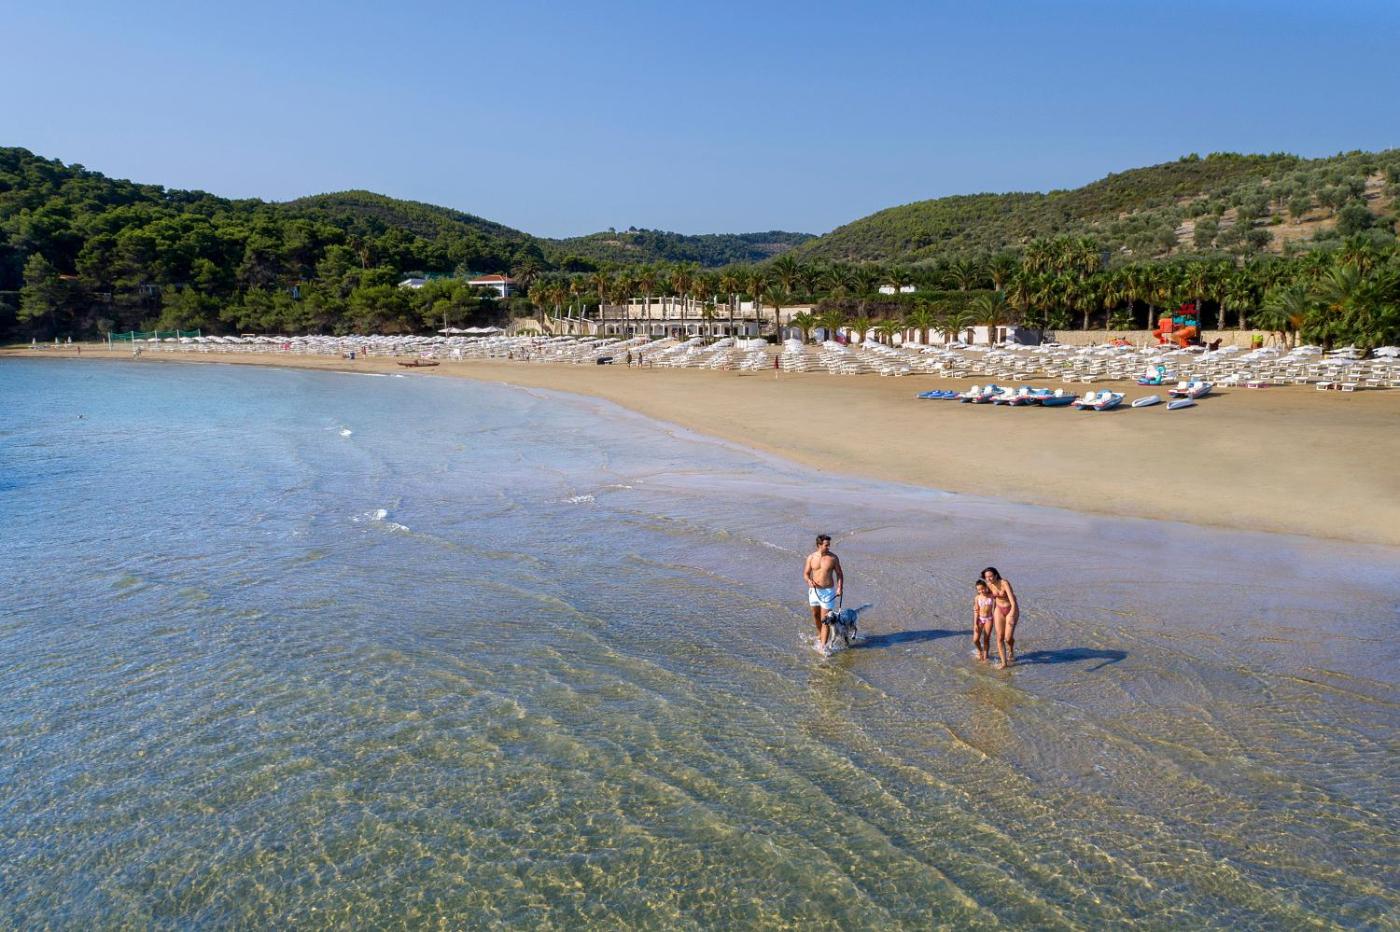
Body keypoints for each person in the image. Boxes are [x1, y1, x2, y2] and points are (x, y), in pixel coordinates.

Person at [803, 534, 844, 655]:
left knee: (825, 620)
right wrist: (808, 580)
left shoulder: (833, 558)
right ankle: (820, 635)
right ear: (819, 545)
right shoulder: (811, 557)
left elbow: (839, 574)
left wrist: (839, 588)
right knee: (816, 615)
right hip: (814, 592)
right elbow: (806, 573)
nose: (829, 547)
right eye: (826, 545)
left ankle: (823, 647)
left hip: (828, 592)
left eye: (829, 545)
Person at [982, 567, 1019, 668]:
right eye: (986, 577)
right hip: (999, 609)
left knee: (1008, 638)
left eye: (990, 576)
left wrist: (1012, 614)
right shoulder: (989, 585)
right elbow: (984, 597)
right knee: (999, 637)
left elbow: (1013, 601)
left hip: (1011, 609)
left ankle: (1011, 650)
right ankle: (1004, 663)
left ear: (996, 575)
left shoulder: (1004, 583)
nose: (988, 579)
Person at [972, 579, 995, 662]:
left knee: (986, 639)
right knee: (975, 639)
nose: (981, 591)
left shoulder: (991, 596)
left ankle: (985, 656)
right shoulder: (977, 598)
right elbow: (976, 611)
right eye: (979, 590)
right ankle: (980, 650)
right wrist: (975, 624)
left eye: (982, 588)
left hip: (989, 619)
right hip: (980, 619)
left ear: (986, 587)